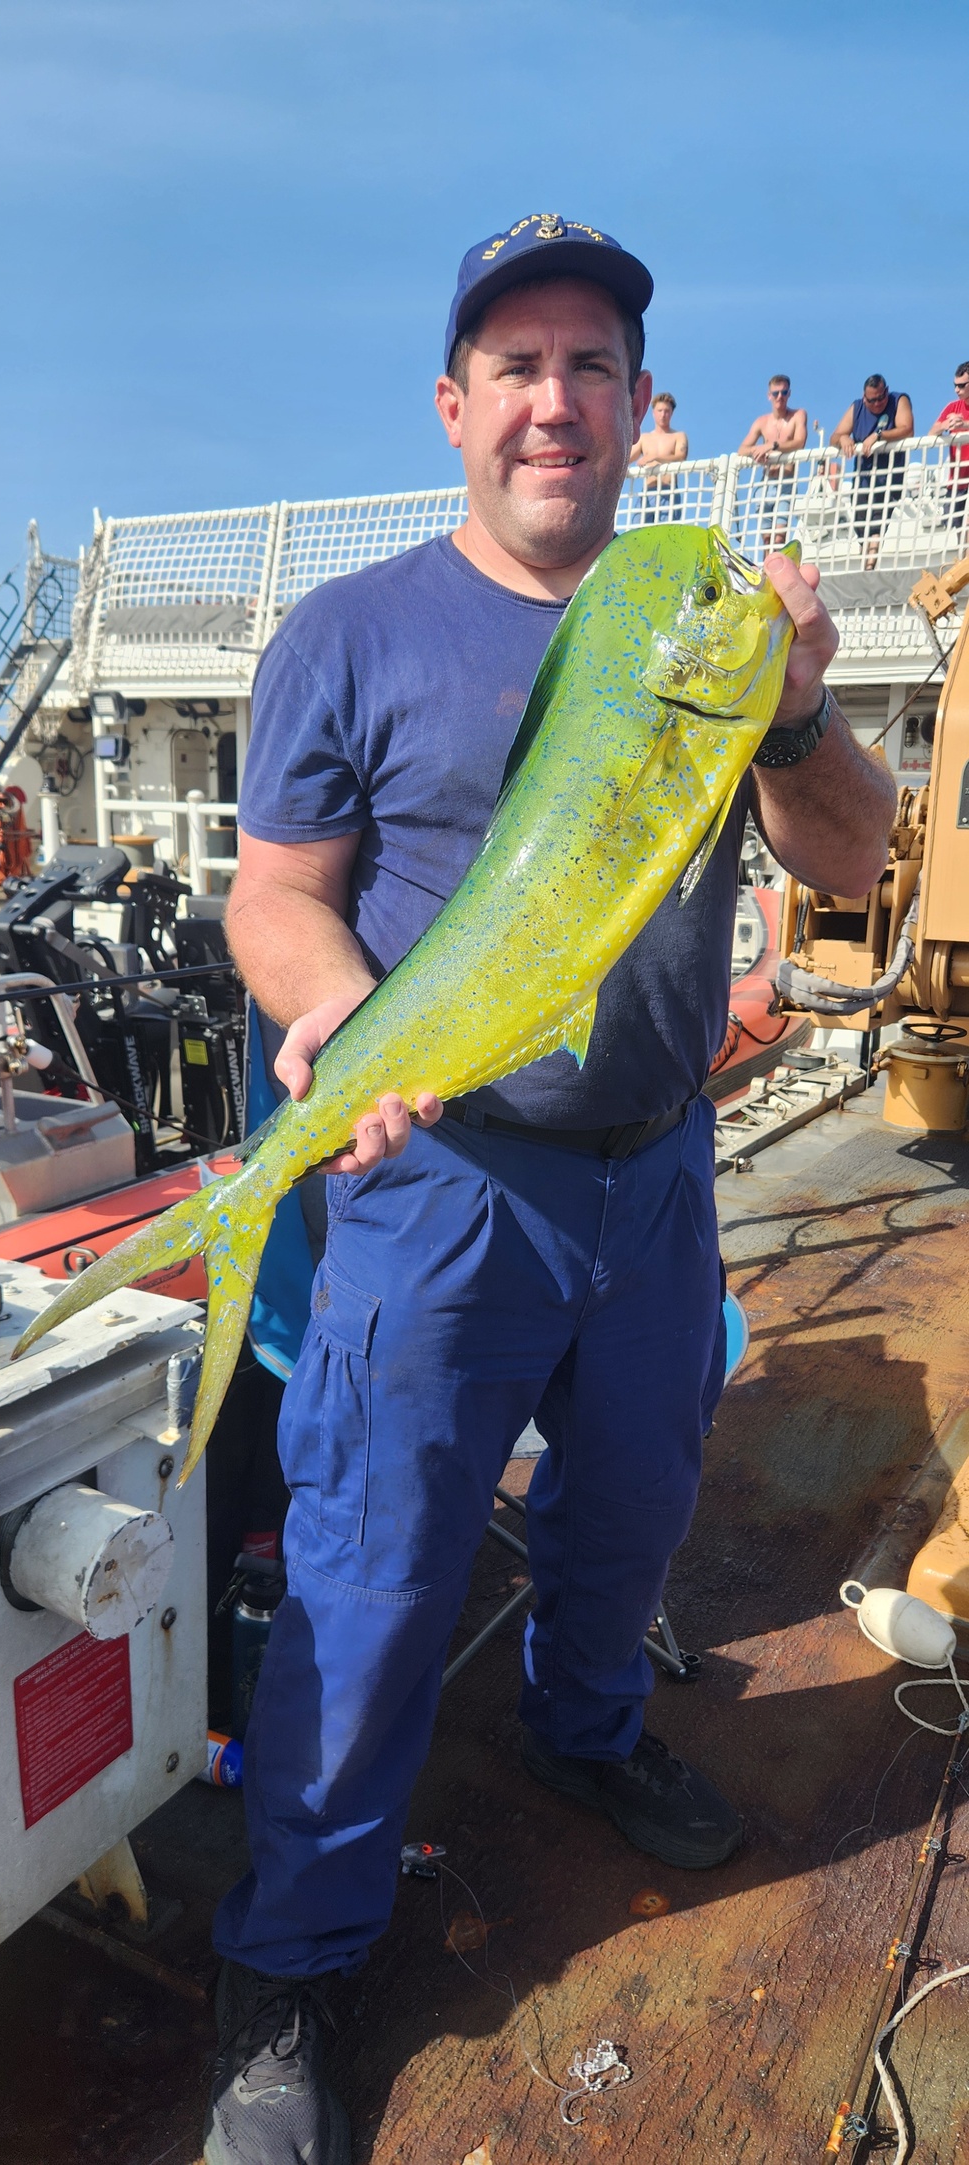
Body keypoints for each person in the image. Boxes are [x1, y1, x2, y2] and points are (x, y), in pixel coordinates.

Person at [208, 211, 897, 2165]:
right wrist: (341, 1019)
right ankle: (291, 1956)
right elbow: (278, 895)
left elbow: (851, 860)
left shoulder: (707, 617)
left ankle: (587, 1732)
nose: (553, 399)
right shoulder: (349, 631)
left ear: (636, 404)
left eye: (590, 364)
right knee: (368, 1573)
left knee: (629, 1514)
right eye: (515, 364)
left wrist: (791, 706)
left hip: (655, 1172)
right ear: (454, 403)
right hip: (444, 1181)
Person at [831, 375, 914, 567]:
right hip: (863, 479)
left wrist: (879, 435)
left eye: (881, 398)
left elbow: (907, 429)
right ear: (864, 398)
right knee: (862, 526)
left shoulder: (898, 400)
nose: (877, 403)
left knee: (877, 522)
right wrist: (843, 438)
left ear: (887, 391)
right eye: (871, 400)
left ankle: (869, 567)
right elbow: (834, 436)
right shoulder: (857, 407)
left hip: (889, 478)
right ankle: (865, 563)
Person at [738, 376, 808, 548]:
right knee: (767, 540)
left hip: (786, 482)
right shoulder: (762, 422)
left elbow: (800, 442)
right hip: (765, 483)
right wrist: (757, 451)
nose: (780, 397)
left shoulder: (798, 415)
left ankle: (777, 565)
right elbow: (742, 449)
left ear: (789, 393)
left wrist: (773, 445)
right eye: (776, 393)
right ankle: (767, 566)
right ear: (769, 395)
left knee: (779, 538)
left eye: (784, 392)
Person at [629, 390, 687, 521]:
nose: (663, 415)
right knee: (639, 529)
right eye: (660, 411)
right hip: (648, 491)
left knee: (666, 531)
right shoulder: (645, 438)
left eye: (667, 411)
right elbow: (627, 459)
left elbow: (681, 457)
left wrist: (655, 457)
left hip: (668, 491)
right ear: (653, 412)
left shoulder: (678, 436)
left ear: (671, 413)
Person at [929, 361, 969, 538]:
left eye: (961, 385)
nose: (957, 390)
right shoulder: (953, 407)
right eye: (955, 385)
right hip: (957, 482)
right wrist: (945, 425)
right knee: (955, 529)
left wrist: (964, 424)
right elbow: (931, 433)